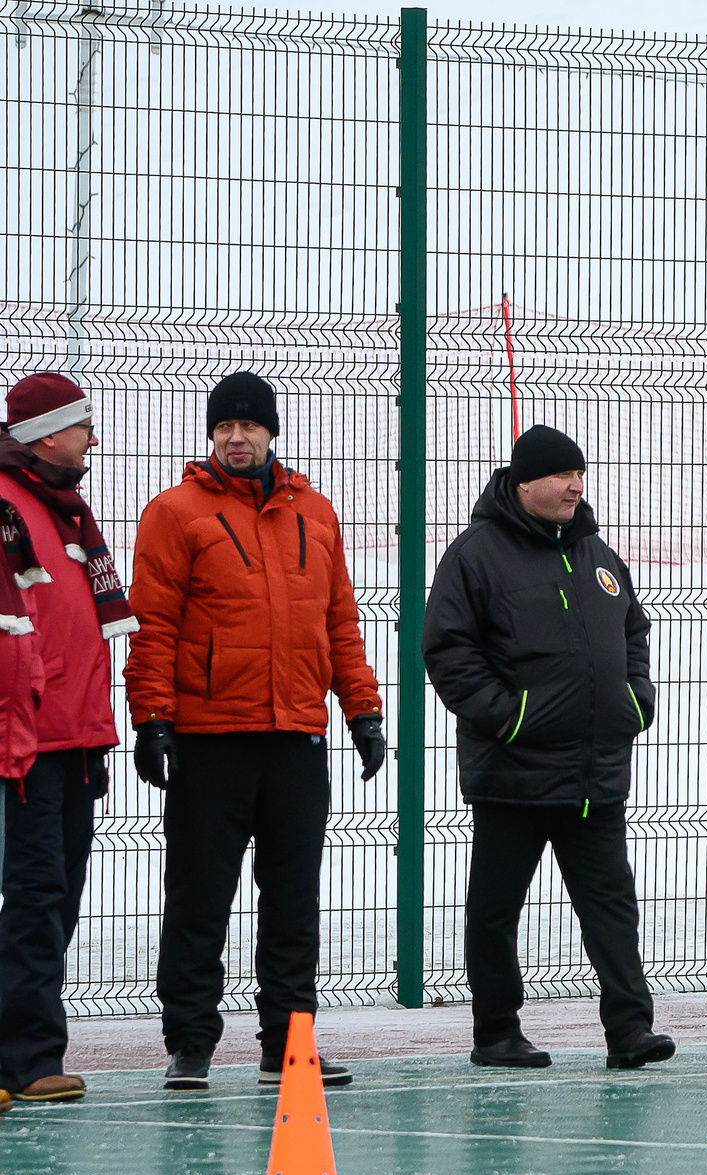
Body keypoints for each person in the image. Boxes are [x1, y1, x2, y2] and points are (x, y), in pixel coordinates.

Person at [128, 371, 385, 1091]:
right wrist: (152, 719)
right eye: (224, 426)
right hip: (211, 739)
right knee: (199, 898)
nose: (236, 437)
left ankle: (289, 1045)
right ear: (211, 434)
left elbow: (339, 623)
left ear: (272, 432)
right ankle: (190, 1044)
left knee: (293, 903)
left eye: (248, 425)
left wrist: (362, 709)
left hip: (296, 737)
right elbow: (153, 626)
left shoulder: (316, 514)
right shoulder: (175, 513)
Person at [424, 426, 672, 1071]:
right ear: (524, 483)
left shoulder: (597, 554)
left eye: (579, 475)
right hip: (514, 771)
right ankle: (497, 1034)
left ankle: (630, 1031)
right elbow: (448, 651)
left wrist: (634, 700)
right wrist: (511, 719)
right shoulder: (475, 556)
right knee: (496, 910)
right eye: (562, 475)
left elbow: (634, 632)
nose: (575, 486)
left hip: (594, 773)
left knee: (611, 906)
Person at [0, 372, 131, 1106]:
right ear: (48, 435)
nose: (92, 438)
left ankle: (20, 1052)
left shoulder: (66, 511)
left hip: (75, 737)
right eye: (83, 426)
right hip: (26, 741)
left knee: (58, 894)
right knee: (36, 895)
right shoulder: (8, 507)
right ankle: (27, 1059)